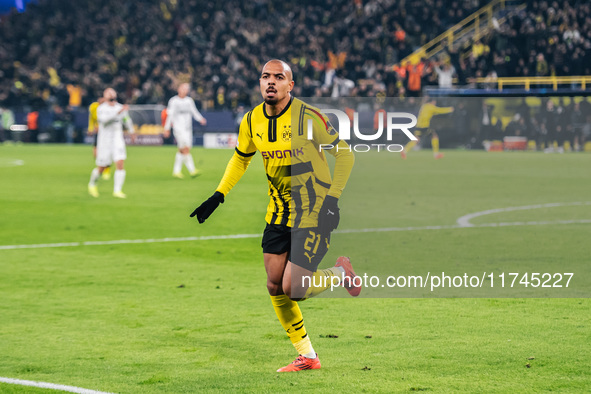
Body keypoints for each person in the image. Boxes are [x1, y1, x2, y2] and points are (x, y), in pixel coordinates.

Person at [191, 59, 358, 372]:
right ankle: (308, 356)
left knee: (294, 288)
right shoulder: (252, 119)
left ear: (290, 85)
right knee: (273, 284)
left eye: (278, 77)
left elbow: (345, 154)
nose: (271, 82)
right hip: (278, 212)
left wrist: (332, 201)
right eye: (265, 76)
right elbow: (241, 159)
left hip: (313, 211)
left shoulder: (309, 117)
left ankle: (339, 272)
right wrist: (219, 194)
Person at [88, 88, 135, 198]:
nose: (111, 94)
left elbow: (126, 120)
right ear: (104, 96)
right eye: (108, 93)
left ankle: (117, 191)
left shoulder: (120, 107)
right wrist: (117, 113)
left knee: (120, 163)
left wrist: (132, 132)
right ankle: (92, 183)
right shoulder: (102, 108)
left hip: (118, 139)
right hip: (105, 141)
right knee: (102, 167)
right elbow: (103, 121)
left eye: (112, 92)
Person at [163, 83, 207, 178]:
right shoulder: (173, 101)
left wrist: (201, 119)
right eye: (183, 88)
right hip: (178, 128)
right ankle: (192, 170)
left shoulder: (189, 101)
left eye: (186, 89)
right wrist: (166, 128)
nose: (184, 90)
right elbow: (169, 115)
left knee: (182, 150)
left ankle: (176, 171)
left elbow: (194, 111)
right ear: (178, 89)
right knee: (185, 148)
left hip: (188, 129)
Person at [88, 97, 111, 179]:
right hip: (98, 132)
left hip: (106, 132)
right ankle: (101, 167)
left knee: (106, 151)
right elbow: (91, 119)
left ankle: (107, 169)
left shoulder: (109, 108)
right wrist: (90, 128)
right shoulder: (93, 107)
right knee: (95, 153)